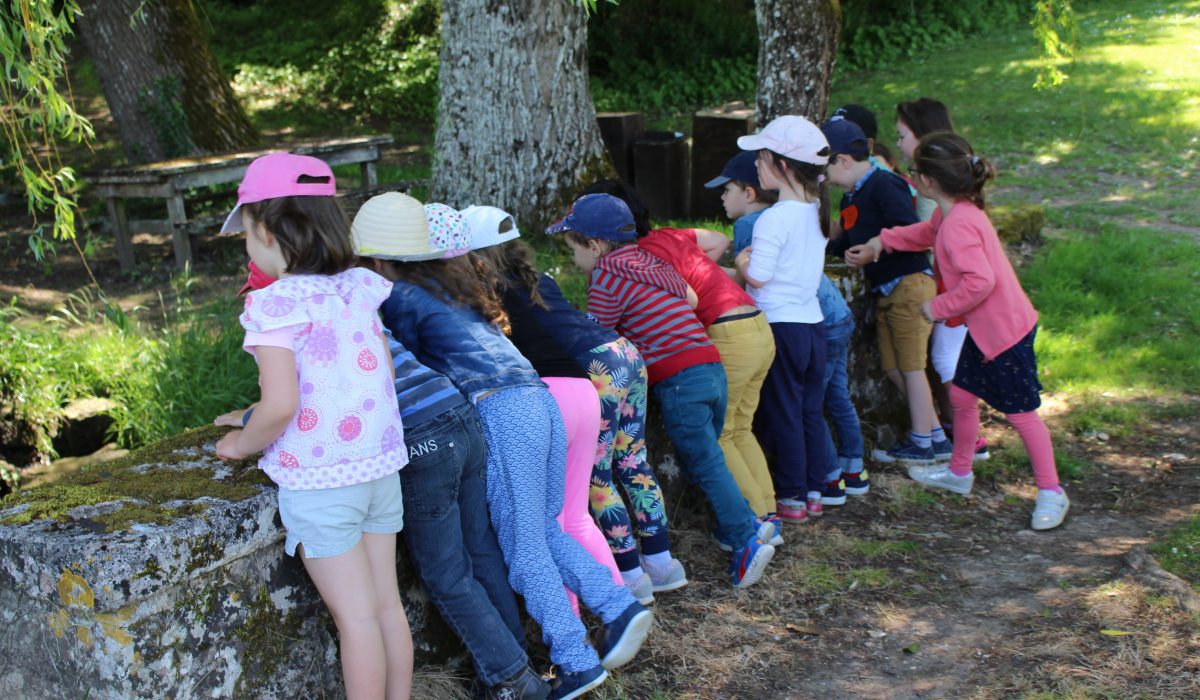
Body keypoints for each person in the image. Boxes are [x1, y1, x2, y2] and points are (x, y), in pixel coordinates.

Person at [353, 193, 652, 700]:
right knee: (541, 529)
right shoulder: (448, 285)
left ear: (378, 259)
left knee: (522, 548)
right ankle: (617, 606)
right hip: (538, 397)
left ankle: (576, 660)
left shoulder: (398, 298)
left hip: (501, 410)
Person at [212, 153, 414, 699]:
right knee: (387, 606)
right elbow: (384, 374)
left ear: (271, 232)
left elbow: (279, 406)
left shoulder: (274, 305)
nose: (248, 248)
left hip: (322, 481)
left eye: (247, 236)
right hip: (379, 466)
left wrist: (240, 444)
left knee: (356, 620)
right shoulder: (356, 288)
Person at [549, 193, 776, 589]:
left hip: (679, 378)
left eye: (573, 249)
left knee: (704, 461)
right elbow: (689, 297)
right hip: (710, 364)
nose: (573, 260)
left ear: (595, 245)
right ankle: (745, 521)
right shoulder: (651, 261)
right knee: (712, 453)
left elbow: (597, 332)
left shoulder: (606, 276)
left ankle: (746, 539)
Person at [848, 133, 1070, 531]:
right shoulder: (954, 214)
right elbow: (922, 233)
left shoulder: (959, 225)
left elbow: (979, 282)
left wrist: (936, 308)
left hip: (1004, 335)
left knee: (1022, 416)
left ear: (929, 181)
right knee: (964, 397)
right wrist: (882, 241)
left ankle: (1052, 491)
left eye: (914, 170)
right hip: (984, 334)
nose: (912, 176)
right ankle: (959, 472)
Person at [465, 205, 683, 606]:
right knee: (633, 461)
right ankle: (663, 563)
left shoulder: (491, 291)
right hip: (622, 352)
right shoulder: (537, 277)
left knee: (597, 479)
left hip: (593, 367)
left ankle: (632, 576)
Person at [822, 116, 950, 467]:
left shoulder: (884, 184)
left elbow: (910, 231)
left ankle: (922, 443)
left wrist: (876, 248)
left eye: (825, 166)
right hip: (888, 291)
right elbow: (847, 239)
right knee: (894, 368)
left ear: (843, 160)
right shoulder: (854, 195)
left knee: (911, 367)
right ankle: (937, 435)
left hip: (909, 285)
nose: (824, 176)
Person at [732, 116, 830, 522]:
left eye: (761, 158)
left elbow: (759, 275)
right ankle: (813, 490)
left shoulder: (775, 217)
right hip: (812, 324)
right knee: (809, 409)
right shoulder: (816, 210)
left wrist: (740, 263)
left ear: (783, 165)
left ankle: (788, 494)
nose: (755, 164)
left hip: (779, 325)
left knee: (784, 410)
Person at [894, 98, 989, 463]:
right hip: (946, 288)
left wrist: (937, 304)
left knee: (947, 360)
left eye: (902, 136)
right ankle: (958, 432)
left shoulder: (942, 196)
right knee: (944, 360)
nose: (899, 143)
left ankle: (969, 440)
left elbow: (934, 236)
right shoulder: (947, 186)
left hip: (948, 290)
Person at [814, 274, 867, 507]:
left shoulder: (760, 238)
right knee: (839, 398)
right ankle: (854, 472)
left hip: (820, 323)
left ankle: (831, 479)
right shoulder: (808, 236)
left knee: (812, 405)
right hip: (839, 314)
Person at [703, 150, 779, 260]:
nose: (722, 197)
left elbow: (744, 275)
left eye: (727, 190)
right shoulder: (783, 215)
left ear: (748, 194)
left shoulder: (746, 224)